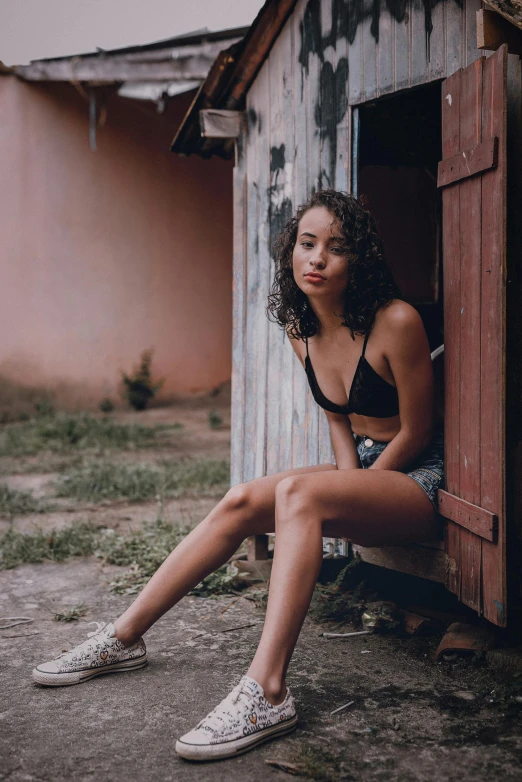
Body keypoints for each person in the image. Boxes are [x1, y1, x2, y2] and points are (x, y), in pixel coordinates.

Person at [32, 190, 444, 762]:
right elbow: (340, 421)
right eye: (307, 243)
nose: (317, 258)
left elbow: (419, 432)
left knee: (299, 492)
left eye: (336, 247)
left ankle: (268, 691)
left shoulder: (396, 321)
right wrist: (352, 484)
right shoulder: (301, 328)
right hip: (371, 466)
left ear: (360, 261)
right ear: (291, 252)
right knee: (242, 500)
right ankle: (122, 637)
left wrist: (361, 491)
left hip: (420, 475)